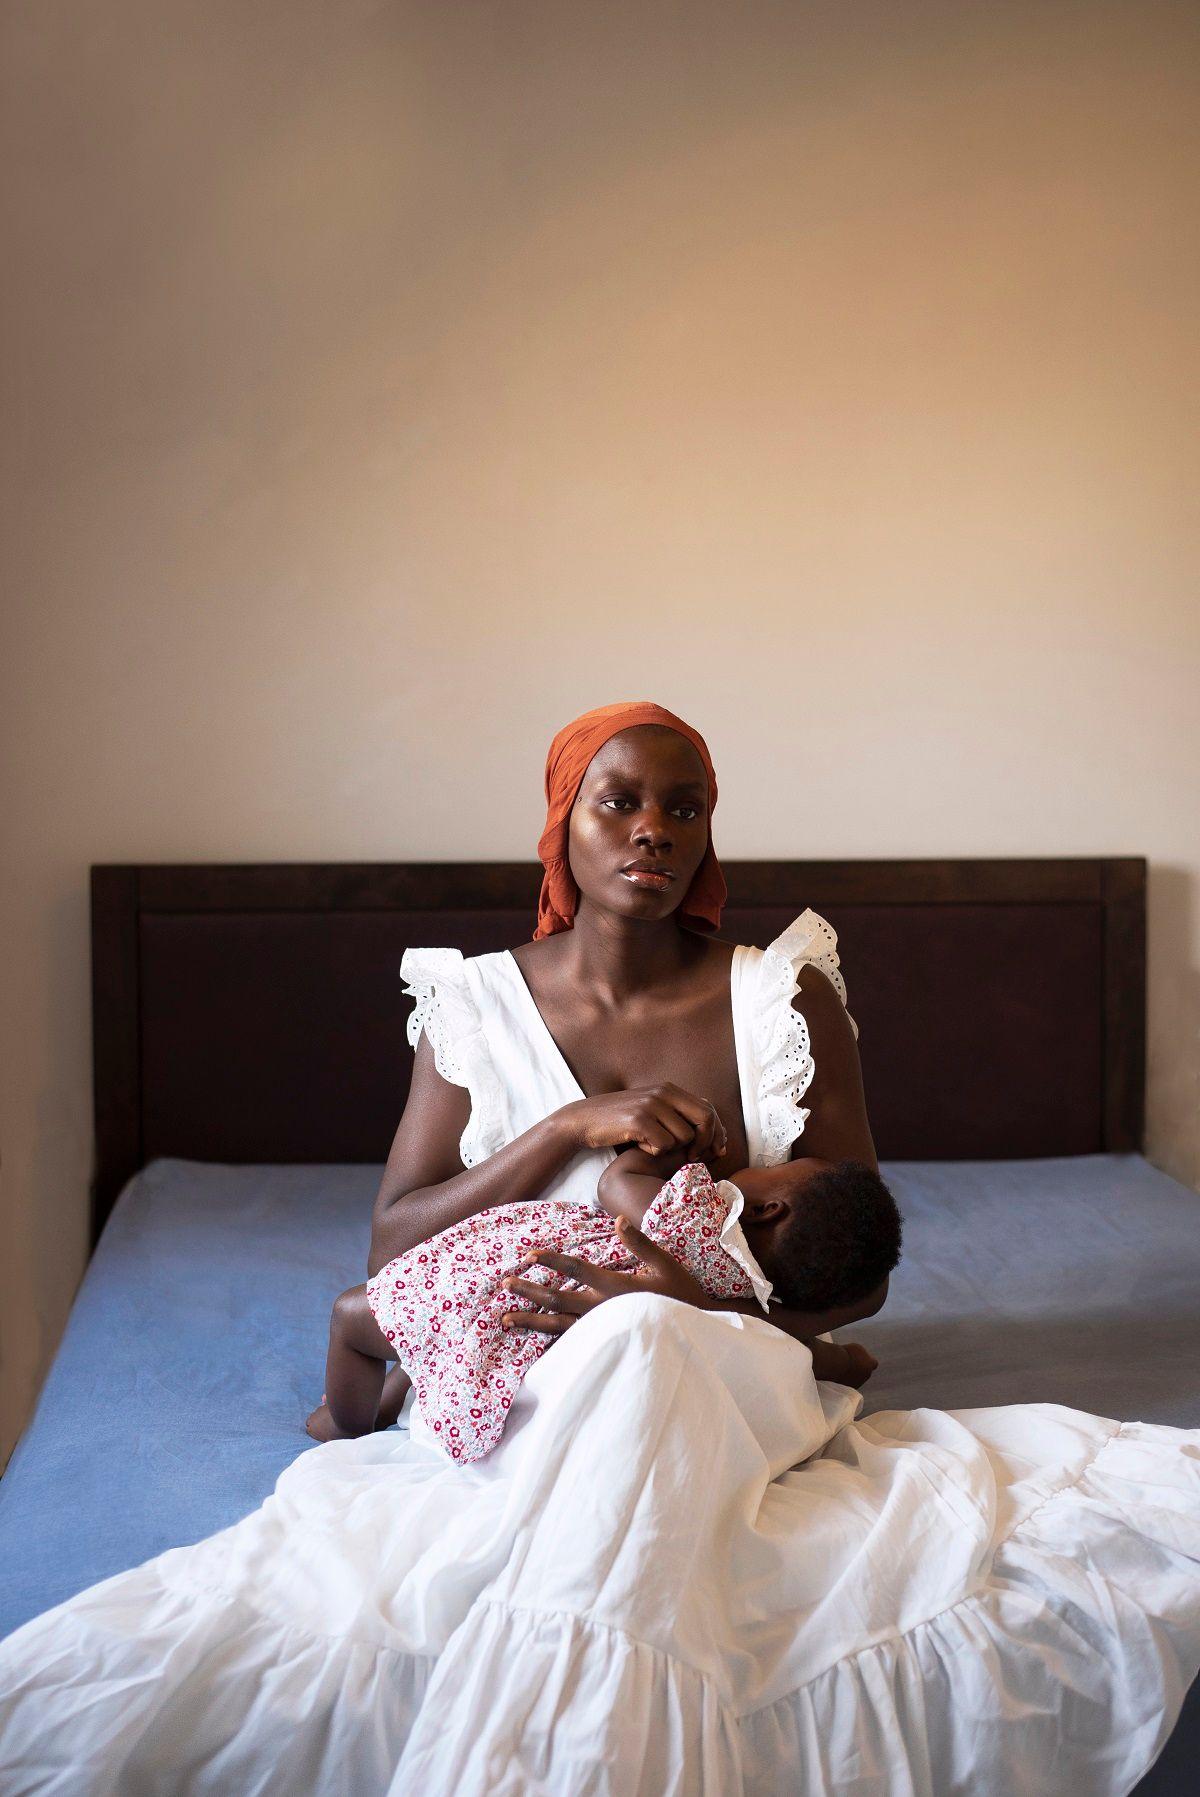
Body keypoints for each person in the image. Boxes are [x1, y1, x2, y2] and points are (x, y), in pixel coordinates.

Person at [3, 700, 1197, 1796]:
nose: (652, 832)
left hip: (724, 1363)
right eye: (618, 801)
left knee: (637, 1341)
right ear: (561, 823)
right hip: (517, 1377)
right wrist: (569, 1126)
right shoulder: (472, 1004)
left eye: (684, 808)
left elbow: (861, 1269)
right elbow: (397, 1240)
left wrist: (689, 1307)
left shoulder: (785, 998)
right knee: (619, 1358)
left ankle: (566, 1706)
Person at [306, 1147, 903, 1458]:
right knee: (448, 1338)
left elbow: (615, 1185)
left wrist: (660, 1156)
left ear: (772, 1208)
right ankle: (400, 1389)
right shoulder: (753, 1303)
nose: (758, 1168)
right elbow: (792, 1348)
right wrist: (844, 1362)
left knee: (352, 1316)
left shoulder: (701, 1220)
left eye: (779, 1168)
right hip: (543, 1345)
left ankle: (345, 1423)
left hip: (504, 1279)